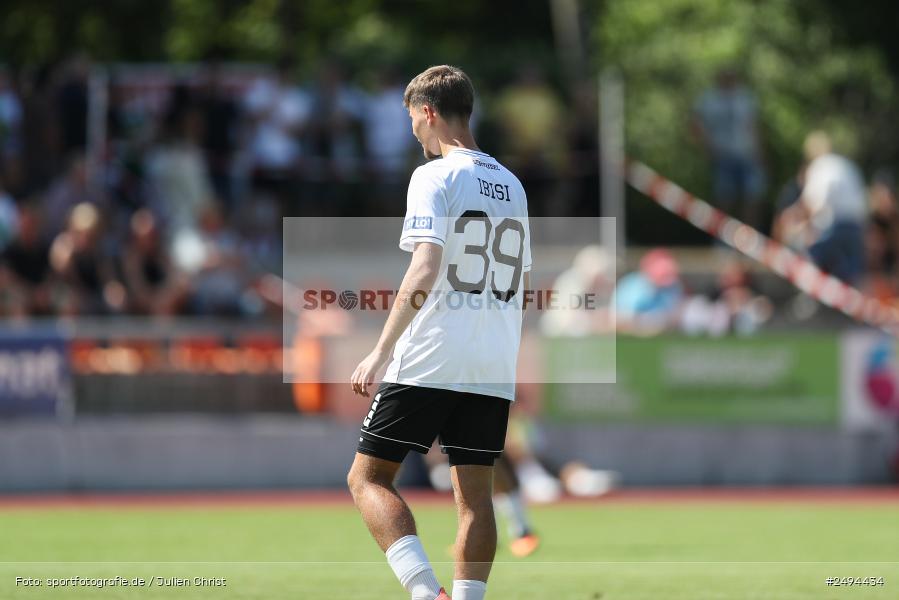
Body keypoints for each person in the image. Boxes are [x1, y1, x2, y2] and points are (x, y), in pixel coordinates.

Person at [347, 65, 532, 600]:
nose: (412, 131)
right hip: (492, 358)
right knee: (476, 496)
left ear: (428, 112)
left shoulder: (434, 176)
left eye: (412, 118)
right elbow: (520, 281)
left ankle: (426, 593)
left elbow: (425, 267)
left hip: (433, 350)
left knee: (368, 478)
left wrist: (381, 350)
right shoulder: (513, 184)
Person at [692, 68, 766, 228]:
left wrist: (759, 152)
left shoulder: (745, 97)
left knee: (752, 196)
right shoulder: (710, 99)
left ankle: (749, 234)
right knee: (724, 198)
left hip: (746, 154)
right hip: (723, 155)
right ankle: (721, 236)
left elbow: (752, 126)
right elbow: (697, 123)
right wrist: (707, 146)